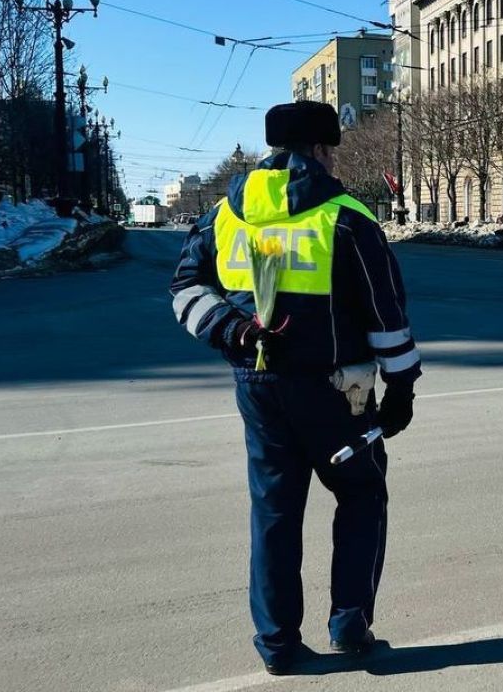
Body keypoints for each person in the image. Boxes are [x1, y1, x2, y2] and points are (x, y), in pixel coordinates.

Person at [170, 101, 422, 675]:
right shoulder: (346, 216)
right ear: (322, 149)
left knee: (275, 512)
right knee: (361, 494)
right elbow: (386, 313)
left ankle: (278, 645)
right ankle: (350, 625)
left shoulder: (222, 216)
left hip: (257, 386)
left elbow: (184, 290)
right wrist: (402, 388)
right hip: (337, 392)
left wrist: (232, 329)